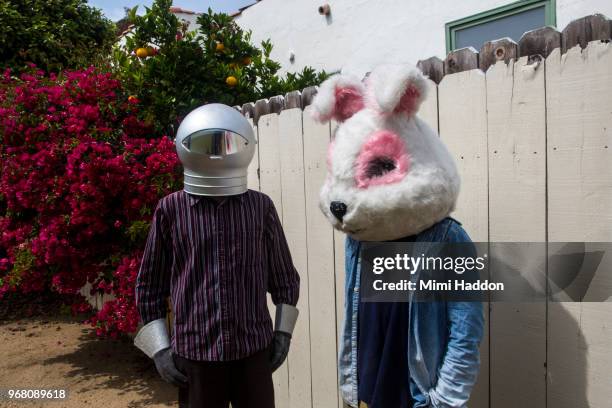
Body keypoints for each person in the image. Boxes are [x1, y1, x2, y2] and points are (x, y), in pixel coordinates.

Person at [311, 65, 484, 408]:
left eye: (378, 169)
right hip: (366, 392)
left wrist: (444, 401)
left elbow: (466, 329)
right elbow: (357, 316)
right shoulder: (361, 238)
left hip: (418, 396)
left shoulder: (448, 239)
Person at [133, 103, 300, 408]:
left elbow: (285, 278)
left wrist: (283, 334)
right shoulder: (170, 210)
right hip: (196, 356)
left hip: (253, 351)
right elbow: (149, 286)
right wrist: (159, 350)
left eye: (226, 143)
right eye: (205, 143)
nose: (217, 153)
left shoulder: (260, 208)